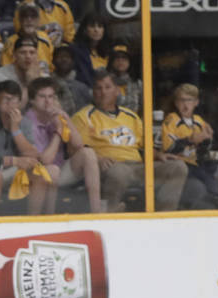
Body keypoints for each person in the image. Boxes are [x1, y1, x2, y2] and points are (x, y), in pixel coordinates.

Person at [72, 70, 187, 212]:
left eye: (107, 87)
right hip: (111, 167)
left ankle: (162, 216)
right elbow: (77, 150)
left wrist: (158, 155)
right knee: (119, 172)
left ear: (117, 91)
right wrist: (98, 159)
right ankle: (109, 213)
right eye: (98, 88)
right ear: (93, 92)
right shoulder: (83, 117)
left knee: (178, 167)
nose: (103, 92)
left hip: (138, 166)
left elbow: (145, 147)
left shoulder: (131, 116)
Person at [24, 76, 102, 213]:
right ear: (32, 100)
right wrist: (59, 131)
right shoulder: (27, 122)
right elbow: (44, 161)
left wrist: (65, 117)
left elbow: (78, 145)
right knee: (52, 170)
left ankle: (97, 211)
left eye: (51, 97)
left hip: (59, 169)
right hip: (35, 174)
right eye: (42, 97)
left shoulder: (54, 115)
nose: (48, 101)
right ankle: (49, 217)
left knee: (88, 153)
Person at [0, 79, 51, 215]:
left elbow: (33, 155)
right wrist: (12, 160)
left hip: (14, 170)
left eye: (14, 100)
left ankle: (34, 220)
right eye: (6, 99)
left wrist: (15, 129)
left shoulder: (25, 122)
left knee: (38, 173)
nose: (10, 103)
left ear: (19, 103)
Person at [160, 83, 218, 210]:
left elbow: (204, 151)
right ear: (176, 103)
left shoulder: (199, 121)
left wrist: (206, 141)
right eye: (181, 100)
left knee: (212, 182)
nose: (185, 104)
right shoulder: (171, 120)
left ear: (196, 102)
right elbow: (168, 148)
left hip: (196, 165)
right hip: (179, 165)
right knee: (201, 187)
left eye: (189, 100)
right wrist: (190, 140)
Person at [0, 36, 48, 108]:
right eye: (23, 52)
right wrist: (30, 84)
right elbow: (13, 108)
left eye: (32, 53)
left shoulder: (43, 76)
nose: (28, 56)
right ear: (14, 55)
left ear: (37, 56)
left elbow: (51, 105)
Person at [0, 4, 52, 68]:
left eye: (33, 16)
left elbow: (51, 66)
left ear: (38, 21)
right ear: (20, 20)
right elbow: (5, 70)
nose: (29, 20)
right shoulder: (10, 43)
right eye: (25, 16)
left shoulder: (45, 38)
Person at [48, 42, 90, 115]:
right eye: (60, 56)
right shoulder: (47, 84)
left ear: (73, 61)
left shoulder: (82, 87)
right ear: (53, 61)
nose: (64, 59)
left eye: (67, 57)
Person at [106, 44, 140, 113]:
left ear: (130, 62)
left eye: (124, 58)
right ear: (111, 62)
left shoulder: (137, 84)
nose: (120, 61)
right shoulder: (105, 83)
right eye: (117, 57)